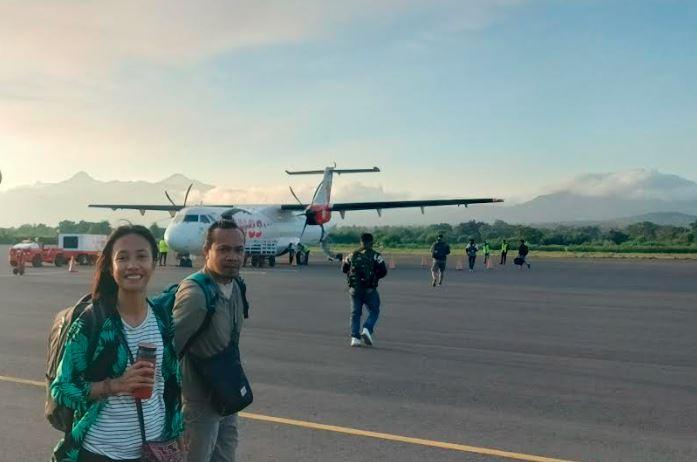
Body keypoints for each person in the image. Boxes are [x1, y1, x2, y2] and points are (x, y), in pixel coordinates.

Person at [50, 225, 183, 462]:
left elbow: (170, 383)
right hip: (102, 452)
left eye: (141, 256)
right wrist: (114, 385)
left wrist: (177, 434)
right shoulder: (92, 322)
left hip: (153, 450)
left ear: (153, 263)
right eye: (122, 258)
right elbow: (61, 389)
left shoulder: (162, 318)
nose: (132, 265)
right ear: (112, 268)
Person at [173, 219, 248, 462]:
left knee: (226, 457)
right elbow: (169, 350)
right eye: (223, 249)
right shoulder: (195, 294)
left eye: (238, 250)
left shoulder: (236, 285)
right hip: (199, 405)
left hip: (226, 395)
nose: (233, 257)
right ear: (207, 251)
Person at [342, 233, 387, 347]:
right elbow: (383, 271)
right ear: (372, 242)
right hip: (369, 289)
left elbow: (344, 268)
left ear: (360, 242)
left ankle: (355, 338)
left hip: (354, 289)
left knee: (355, 313)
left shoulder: (352, 255)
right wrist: (374, 278)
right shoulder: (376, 256)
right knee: (374, 310)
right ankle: (367, 328)